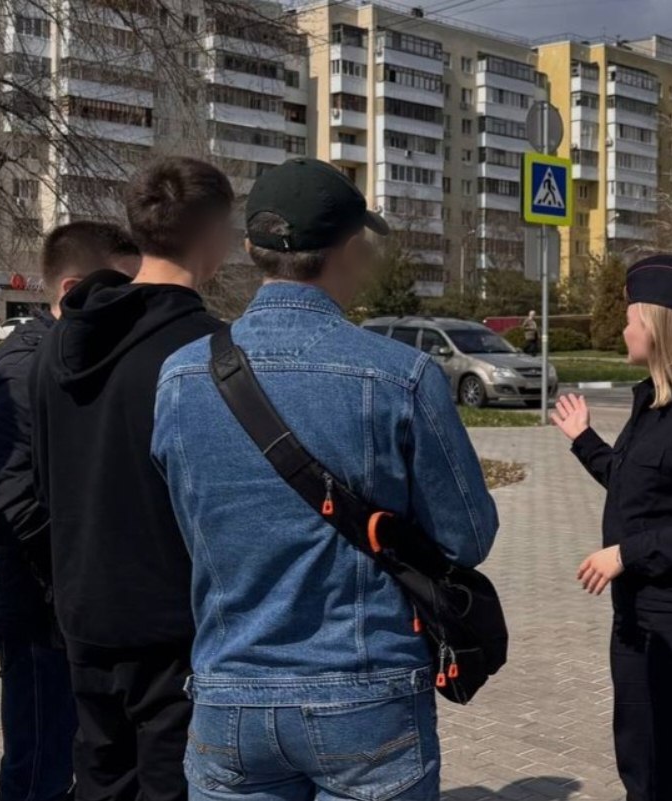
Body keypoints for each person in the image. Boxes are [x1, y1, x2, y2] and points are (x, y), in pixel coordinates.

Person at [152, 158, 499, 801]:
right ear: (349, 248)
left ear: (251, 248)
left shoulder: (179, 377)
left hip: (229, 694)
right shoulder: (401, 375)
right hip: (366, 695)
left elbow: (184, 526)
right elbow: (468, 538)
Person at [31, 157, 233, 801]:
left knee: (99, 780)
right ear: (216, 233)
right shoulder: (210, 352)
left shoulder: (58, 344)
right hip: (174, 625)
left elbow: (44, 476)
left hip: (83, 612)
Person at [551, 254, 672, 801]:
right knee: (641, 766)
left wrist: (624, 554)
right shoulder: (656, 407)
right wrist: (583, 439)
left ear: (658, 328)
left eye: (631, 319)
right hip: (638, 622)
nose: (624, 329)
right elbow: (631, 484)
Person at [0, 222, 140, 801]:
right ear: (73, 289)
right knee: (39, 769)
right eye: (125, 288)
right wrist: (92, 567)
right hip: (41, 615)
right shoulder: (23, 370)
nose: (136, 305)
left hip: (80, 610)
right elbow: (8, 506)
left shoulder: (81, 357)